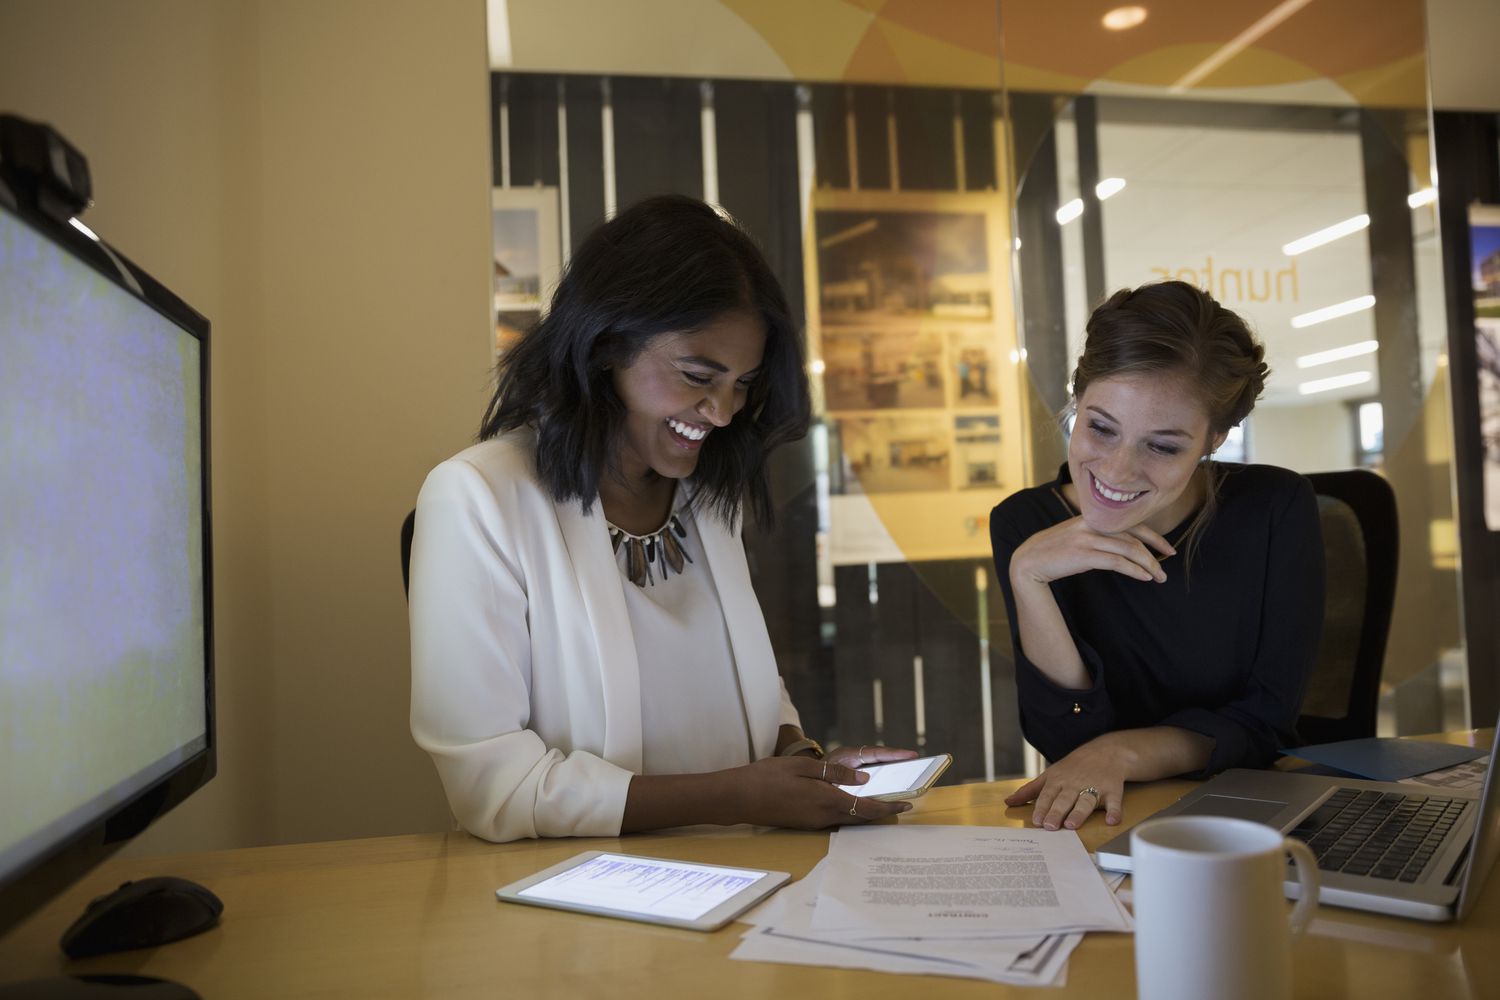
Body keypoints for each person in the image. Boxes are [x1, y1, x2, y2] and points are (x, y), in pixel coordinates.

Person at [409, 195, 914, 843]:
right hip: (576, 899)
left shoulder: (704, 494)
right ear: (606, 344)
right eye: (697, 374)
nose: (723, 412)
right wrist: (736, 795)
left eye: (742, 384)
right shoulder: (476, 497)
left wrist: (802, 765)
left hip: (747, 879)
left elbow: (750, 692)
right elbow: (494, 790)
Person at [989, 281, 1324, 834]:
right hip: (1098, 820)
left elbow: (1266, 722)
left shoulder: (1274, 508)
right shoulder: (1025, 525)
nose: (1117, 472)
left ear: (1214, 439)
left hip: (1253, 818)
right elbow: (1066, 740)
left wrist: (1123, 753)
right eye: (1099, 427)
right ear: (1077, 398)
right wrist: (1028, 576)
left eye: (1163, 446)